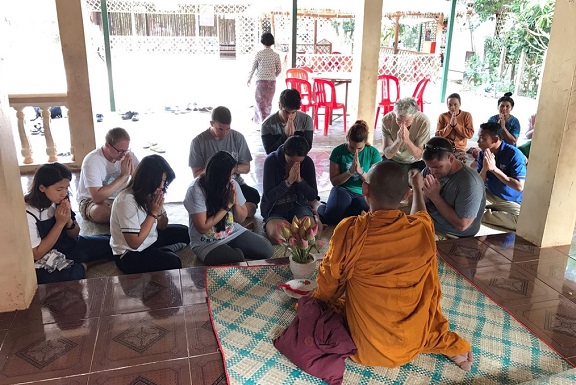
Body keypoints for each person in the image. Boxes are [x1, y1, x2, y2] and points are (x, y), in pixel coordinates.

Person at [312, 161, 473, 371]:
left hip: (365, 346)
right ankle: (440, 342)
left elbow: (330, 282)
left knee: (321, 308)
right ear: (405, 195)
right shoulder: (421, 230)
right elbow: (421, 216)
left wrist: (316, 302)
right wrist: (417, 187)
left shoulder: (350, 230)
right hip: (412, 341)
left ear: (365, 189)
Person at [25, 163, 114, 284]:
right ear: (42, 188)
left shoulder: (59, 199)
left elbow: (74, 235)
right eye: (59, 189)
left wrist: (68, 222)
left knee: (112, 243)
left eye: (66, 187)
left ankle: (79, 263)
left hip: (68, 246)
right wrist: (59, 224)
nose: (63, 193)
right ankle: (82, 266)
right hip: (46, 257)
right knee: (68, 276)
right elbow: (37, 254)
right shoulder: (28, 212)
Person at [184, 151, 274, 265]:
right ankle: (233, 252)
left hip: (231, 232)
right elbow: (202, 227)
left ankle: (233, 250)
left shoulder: (232, 184)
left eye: (232, 174)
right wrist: (227, 206)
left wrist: (235, 202)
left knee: (267, 251)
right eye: (229, 175)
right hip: (206, 242)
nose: (231, 178)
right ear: (218, 176)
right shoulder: (195, 190)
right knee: (236, 261)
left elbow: (241, 218)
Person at [110, 155, 190, 274]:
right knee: (174, 262)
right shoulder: (126, 200)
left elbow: (162, 226)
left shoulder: (152, 192)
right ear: (150, 180)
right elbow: (134, 243)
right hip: (129, 254)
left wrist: (158, 212)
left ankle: (162, 251)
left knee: (186, 233)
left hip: (151, 240)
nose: (163, 186)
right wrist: (152, 213)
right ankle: (164, 252)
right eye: (162, 181)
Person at [189, 106, 259, 218]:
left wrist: (231, 169)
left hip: (234, 183)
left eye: (228, 129)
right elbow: (196, 174)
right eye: (220, 129)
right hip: (211, 186)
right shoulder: (198, 142)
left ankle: (229, 213)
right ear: (212, 124)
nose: (224, 134)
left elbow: (246, 168)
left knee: (254, 196)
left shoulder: (238, 137)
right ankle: (229, 213)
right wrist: (216, 170)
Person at [317, 120, 382, 225]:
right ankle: (320, 206)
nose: (355, 151)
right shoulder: (338, 151)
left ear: (365, 143)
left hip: (362, 192)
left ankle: (344, 210)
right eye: (352, 147)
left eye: (359, 148)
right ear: (347, 140)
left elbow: (374, 184)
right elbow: (334, 182)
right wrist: (350, 171)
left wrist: (361, 172)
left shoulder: (373, 153)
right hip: (343, 189)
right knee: (331, 218)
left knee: (363, 217)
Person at [422, 137, 486, 239]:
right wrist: (422, 191)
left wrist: (435, 197)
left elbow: (463, 225)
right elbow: (415, 201)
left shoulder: (470, 183)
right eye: (429, 166)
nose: (432, 171)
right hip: (427, 220)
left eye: (437, 167)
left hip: (451, 234)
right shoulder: (430, 170)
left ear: (451, 158)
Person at [261, 136, 319, 245]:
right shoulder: (271, 161)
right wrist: (288, 182)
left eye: (299, 162)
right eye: (291, 161)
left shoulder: (307, 162)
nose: (295, 165)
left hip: (299, 205)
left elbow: (312, 195)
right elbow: (269, 196)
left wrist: (300, 181)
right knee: (280, 237)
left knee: (308, 234)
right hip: (275, 208)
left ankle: (314, 217)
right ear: (284, 152)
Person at [77, 127, 138, 223]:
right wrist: (123, 177)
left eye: (126, 150)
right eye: (120, 151)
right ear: (107, 145)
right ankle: (127, 218)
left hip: (120, 198)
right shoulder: (92, 161)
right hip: (92, 201)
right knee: (98, 212)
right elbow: (97, 198)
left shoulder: (128, 155)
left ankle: (126, 217)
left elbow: (141, 181)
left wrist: (135, 175)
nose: (123, 154)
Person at [476, 122, 527, 230]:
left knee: (521, 222)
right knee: (462, 203)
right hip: (489, 193)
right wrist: (485, 169)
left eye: (482, 138)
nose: (478, 142)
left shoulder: (514, 154)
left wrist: (494, 169)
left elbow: (519, 186)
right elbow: (479, 183)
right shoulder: (483, 153)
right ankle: (485, 213)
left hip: (509, 199)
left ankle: (480, 214)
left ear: (495, 140)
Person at [382, 97, 431, 172]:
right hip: (393, 158)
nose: (402, 125)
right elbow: (388, 155)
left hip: (415, 161)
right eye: (399, 120)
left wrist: (407, 140)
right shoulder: (387, 120)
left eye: (407, 121)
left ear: (414, 116)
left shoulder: (423, 122)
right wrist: (398, 141)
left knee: (418, 180)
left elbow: (418, 155)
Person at [261, 88, 314, 154]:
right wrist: (285, 137)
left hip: (299, 158)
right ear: (279, 105)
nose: (290, 116)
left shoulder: (306, 120)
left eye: (293, 112)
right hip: (276, 159)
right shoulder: (267, 124)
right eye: (286, 112)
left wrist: (293, 138)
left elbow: (307, 147)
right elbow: (270, 151)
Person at [247, 32, 282, 124]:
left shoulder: (259, 54)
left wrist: (249, 78)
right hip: (272, 82)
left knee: (259, 102)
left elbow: (253, 67)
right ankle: (265, 120)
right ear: (272, 42)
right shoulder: (276, 55)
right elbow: (279, 69)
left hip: (260, 81)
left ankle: (261, 121)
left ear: (262, 42)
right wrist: (274, 75)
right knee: (268, 102)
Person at [436, 93, 474, 163]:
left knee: (459, 166)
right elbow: (438, 136)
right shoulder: (442, 116)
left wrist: (456, 125)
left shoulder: (467, 115)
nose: (452, 107)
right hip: (445, 148)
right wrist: (450, 126)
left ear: (460, 104)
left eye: (455, 104)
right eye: (449, 105)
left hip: (460, 149)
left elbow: (470, 134)